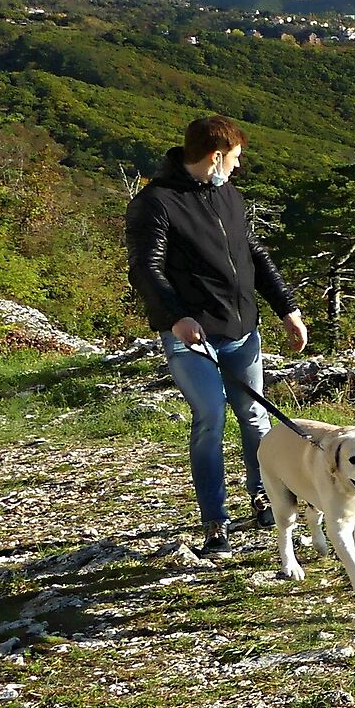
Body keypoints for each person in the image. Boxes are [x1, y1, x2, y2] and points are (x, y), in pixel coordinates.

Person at [126, 115, 310, 555]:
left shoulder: (229, 194)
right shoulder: (155, 203)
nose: (238, 166)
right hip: (192, 337)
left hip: (242, 330)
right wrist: (176, 318)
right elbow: (145, 270)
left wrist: (288, 307)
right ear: (215, 157)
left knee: (255, 418)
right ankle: (215, 521)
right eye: (235, 158)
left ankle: (265, 496)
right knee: (210, 419)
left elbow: (253, 254)